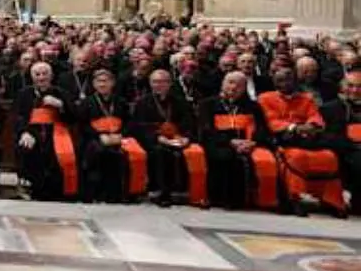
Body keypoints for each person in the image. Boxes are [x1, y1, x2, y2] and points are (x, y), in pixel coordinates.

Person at [257, 66, 345, 216]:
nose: (285, 83)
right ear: (275, 82)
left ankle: (331, 201)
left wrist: (311, 126)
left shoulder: (307, 98)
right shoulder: (265, 98)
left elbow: (315, 117)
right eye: (280, 80)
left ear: (295, 81)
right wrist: (295, 128)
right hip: (283, 139)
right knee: (296, 158)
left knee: (330, 157)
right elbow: (271, 121)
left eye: (289, 80)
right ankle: (294, 199)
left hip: (308, 138)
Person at [200, 71, 278, 210]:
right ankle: (218, 198)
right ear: (223, 84)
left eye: (239, 85)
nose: (234, 87)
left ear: (245, 88)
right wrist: (230, 141)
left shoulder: (253, 106)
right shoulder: (208, 104)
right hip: (219, 143)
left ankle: (247, 199)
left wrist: (253, 142)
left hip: (248, 144)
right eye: (230, 83)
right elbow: (206, 129)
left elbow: (262, 129)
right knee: (226, 156)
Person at [131, 68, 206, 207]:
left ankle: (189, 192)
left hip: (178, 139)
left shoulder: (181, 102)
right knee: (161, 152)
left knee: (192, 152)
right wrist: (157, 137)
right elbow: (138, 127)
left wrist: (186, 138)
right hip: (154, 141)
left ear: (170, 83)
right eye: (155, 82)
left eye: (163, 82)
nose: (159, 85)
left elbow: (190, 124)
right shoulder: (142, 102)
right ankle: (162, 192)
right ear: (150, 84)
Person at [76, 70, 146, 203]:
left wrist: (121, 135)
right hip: (94, 138)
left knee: (127, 154)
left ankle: (120, 194)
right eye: (99, 81)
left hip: (118, 137)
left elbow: (130, 122)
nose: (103, 84)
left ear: (112, 83)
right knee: (99, 151)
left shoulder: (121, 102)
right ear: (94, 84)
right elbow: (82, 125)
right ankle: (95, 193)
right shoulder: (86, 103)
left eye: (106, 81)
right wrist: (99, 136)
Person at [15, 61, 79, 201]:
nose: (41, 78)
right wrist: (24, 132)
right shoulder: (24, 94)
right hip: (32, 132)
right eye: (37, 74)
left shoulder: (61, 93)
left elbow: (73, 117)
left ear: (51, 76)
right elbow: (19, 117)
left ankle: (56, 191)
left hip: (56, 133)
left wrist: (61, 106)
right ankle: (29, 187)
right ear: (32, 77)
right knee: (26, 147)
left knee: (57, 152)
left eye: (45, 74)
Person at [321, 71, 361, 216]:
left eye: (359, 87)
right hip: (342, 150)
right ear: (342, 87)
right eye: (351, 86)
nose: (355, 90)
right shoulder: (329, 108)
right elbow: (328, 136)